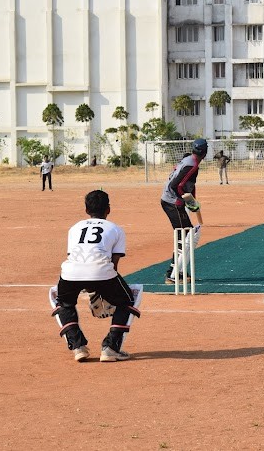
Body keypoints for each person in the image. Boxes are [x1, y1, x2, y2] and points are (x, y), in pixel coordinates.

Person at [51, 190, 140, 362]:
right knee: (127, 301)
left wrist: (90, 287)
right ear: (108, 209)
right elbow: (113, 265)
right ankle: (111, 348)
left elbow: (76, 258)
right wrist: (100, 290)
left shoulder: (75, 227)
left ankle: (78, 347)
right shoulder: (116, 229)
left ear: (86, 210)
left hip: (70, 273)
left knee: (64, 303)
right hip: (102, 271)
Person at [160, 138, 207, 284]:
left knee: (186, 234)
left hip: (171, 200)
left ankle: (178, 272)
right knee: (185, 236)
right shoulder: (191, 165)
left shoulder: (188, 159)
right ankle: (172, 274)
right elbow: (175, 186)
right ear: (205, 152)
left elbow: (189, 185)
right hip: (172, 201)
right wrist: (184, 200)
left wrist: (192, 200)